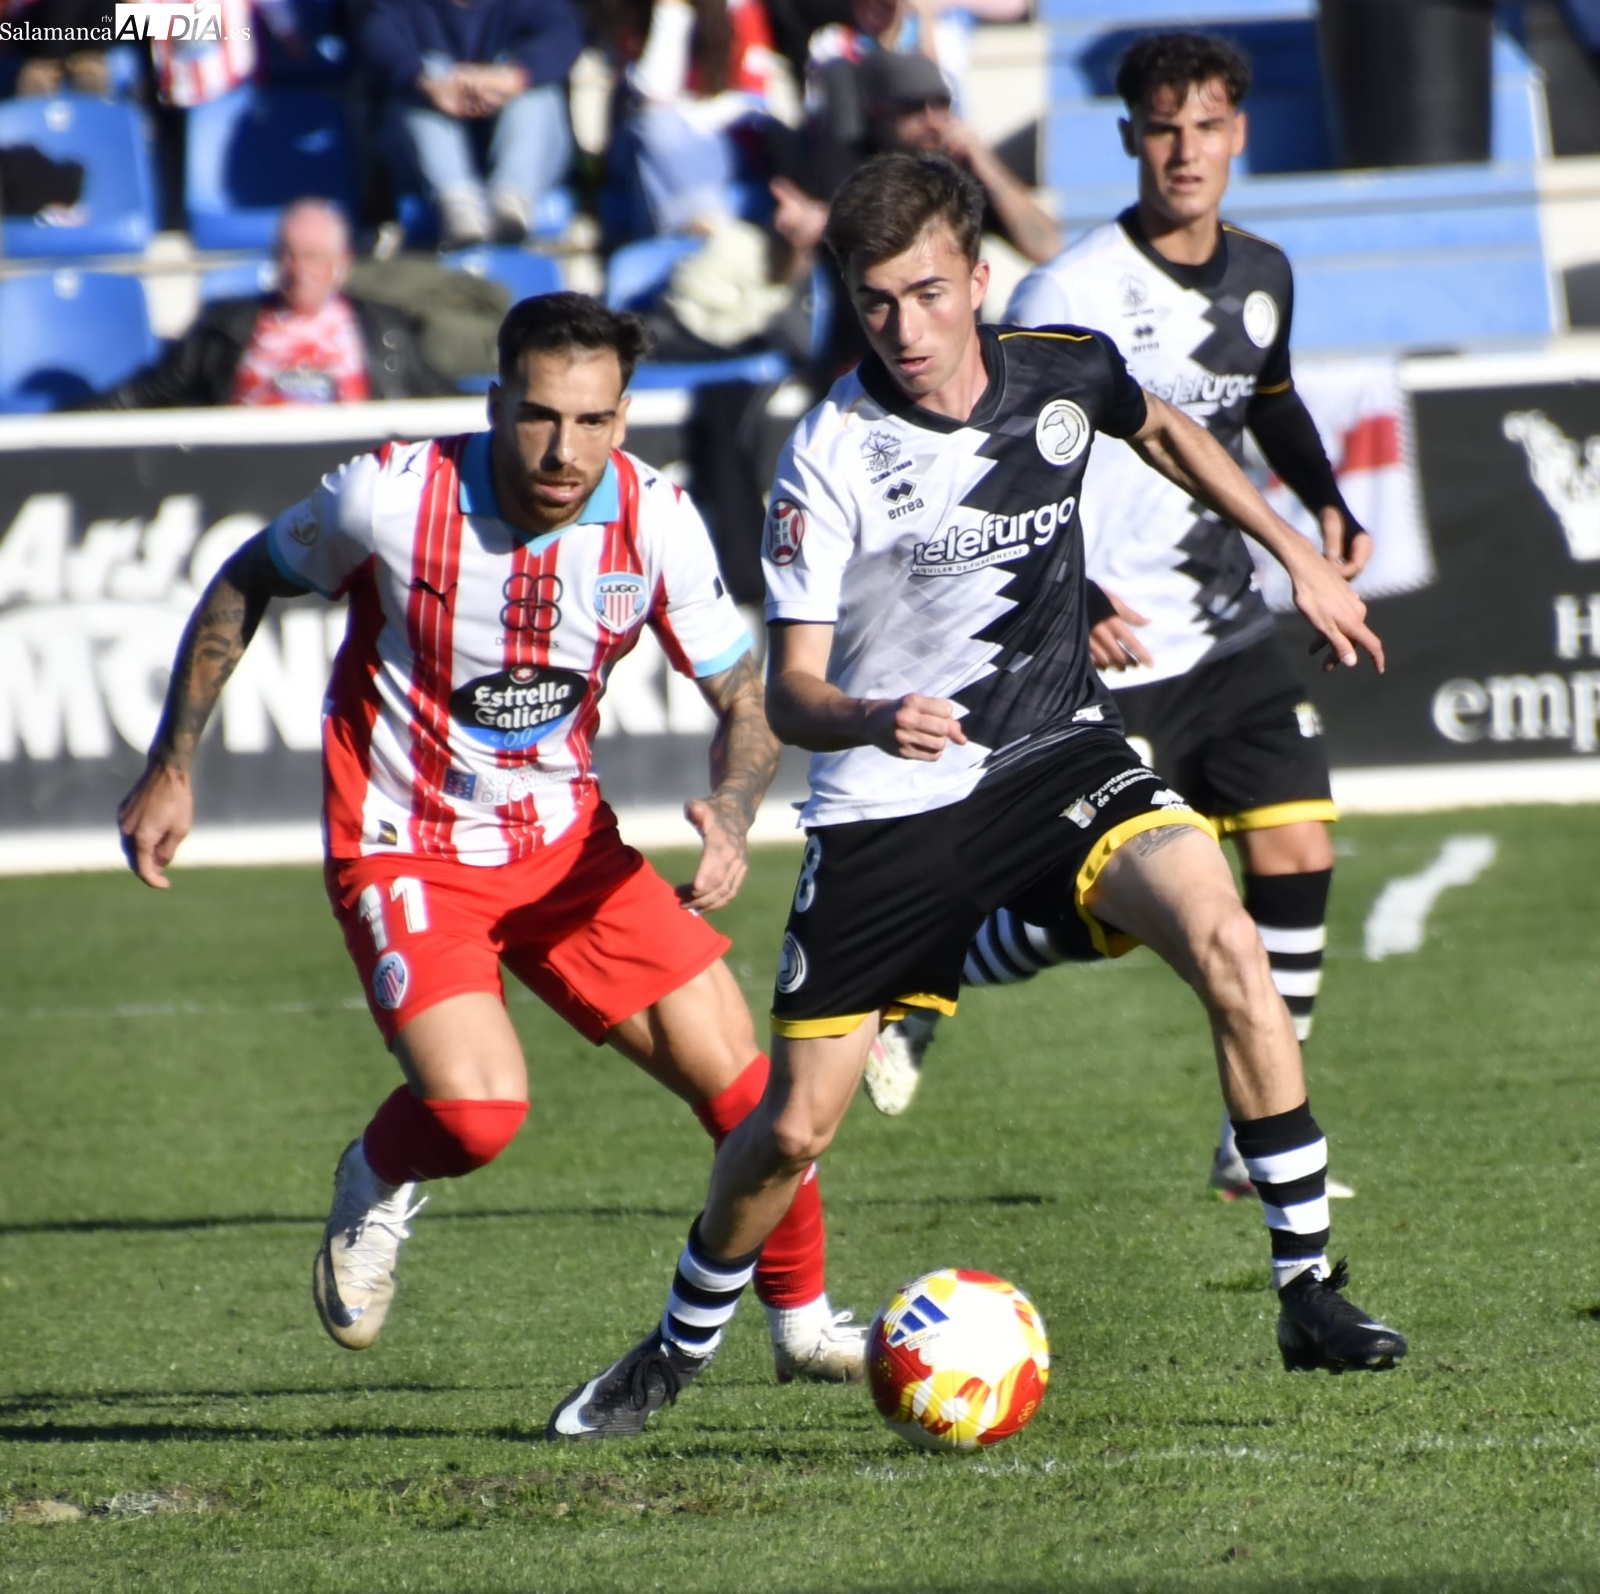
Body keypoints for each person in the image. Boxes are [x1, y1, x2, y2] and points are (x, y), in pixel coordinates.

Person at [545, 153, 1409, 1442]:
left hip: (1060, 751)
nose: (902, 327)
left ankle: (1306, 1288)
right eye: (874, 300)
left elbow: (1166, 427)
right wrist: (871, 714)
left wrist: (1295, 554)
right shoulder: (828, 454)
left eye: (927, 292)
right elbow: (792, 691)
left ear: (979, 280)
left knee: (1229, 938)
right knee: (793, 1130)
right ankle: (675, 1346)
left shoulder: (1062, 372)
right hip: (888, 803)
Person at [114, 292, 866, 1387]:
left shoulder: (655, 520)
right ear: (495, 401)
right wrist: (173, 763)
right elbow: (247, 577)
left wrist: (734, 808)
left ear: (623, 417)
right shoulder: (390, 497)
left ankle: (800, 1324)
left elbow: (744, 697)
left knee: (755, 1097)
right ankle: (376, 1173)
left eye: (594, 420)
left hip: (566, 850)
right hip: (404, 843)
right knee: (476, 1113)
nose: (565, 450)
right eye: (540, 415)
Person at [862, 34, 1366, 1207]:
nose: (1186, 151)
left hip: (1224, 624)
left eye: (1207, 127)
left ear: (1238, 135)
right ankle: (935, 966)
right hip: (1106, 649)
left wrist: (1327, 503)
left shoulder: (1263, 274)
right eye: (1163, 128)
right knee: (1111, 918)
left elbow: (1268, 400)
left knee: (1297, 850)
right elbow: (989, 454)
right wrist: (1071, 588)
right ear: (1130, 137)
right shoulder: (1068, 291)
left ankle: (1254, 1132)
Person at [81, 201, 454, 410]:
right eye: (288, 255)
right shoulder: (225, 326)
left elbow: (443, 402)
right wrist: (67, 426)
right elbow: (149, 392)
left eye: (312, 256)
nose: (299, 270)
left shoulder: (386, 331)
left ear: (341, 264)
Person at [360, 0, 581, 247]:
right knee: (424, 76)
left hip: (525, 168)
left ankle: (510, 204)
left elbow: (565, 35)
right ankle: (460, 208)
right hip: (429, 173)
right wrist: (431, 84)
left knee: (537, 92)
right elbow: (376, 40)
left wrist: (512, 77)